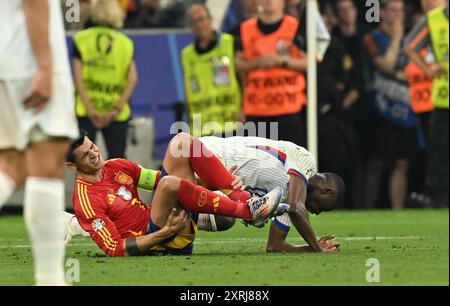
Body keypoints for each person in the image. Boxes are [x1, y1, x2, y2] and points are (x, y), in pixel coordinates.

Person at [66, 133, 344, 253]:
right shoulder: (303, 166)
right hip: (158, 238)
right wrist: (160, 235)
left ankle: (243, 204)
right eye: (86, 154)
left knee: (180, 147)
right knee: (176, 176)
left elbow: (275, 245)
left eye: (93, 146)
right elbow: (115, 249)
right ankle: (246, 206)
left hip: (168, 223)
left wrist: (203, 183)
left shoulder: (116, 166)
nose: (95, 153)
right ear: (71, 165)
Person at [0, 0, 79, 285]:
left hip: (6, 54)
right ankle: (50, 279)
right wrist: (45, 66)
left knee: (12, 164)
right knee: (47, 161)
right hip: (28, 57)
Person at [363, 0, 415, 210]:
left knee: (402, 163)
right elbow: (386, 65)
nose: (397, 15)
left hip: (405, 108)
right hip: (378, 109)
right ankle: (365, 209)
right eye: (393, 10)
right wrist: (396, 39)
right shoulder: (371, 38)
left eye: (401, 11)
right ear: (382, 12)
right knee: (375, 163)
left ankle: (397, 211)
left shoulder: (412, 37)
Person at [235, 0, 308, 146]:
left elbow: (308, 63)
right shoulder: (245, 29)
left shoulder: (295, 26)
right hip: (257, 111)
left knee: (294, 163)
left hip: (290, 110)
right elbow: (237, 65)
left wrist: (282, 61)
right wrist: (256, 63)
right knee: (258, 163)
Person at [73, 0, 138, 159]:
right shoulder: (126, 43)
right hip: (116, 113)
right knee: (118, 162)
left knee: (83, 160)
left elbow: (77, 77)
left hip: (87, 111)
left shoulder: (81, 39)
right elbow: (133, 79)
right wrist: (116, 109)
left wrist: (90, 109)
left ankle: (85, 185)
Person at [405, 0, 449, 208]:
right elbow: (410, 46)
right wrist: (429, 69)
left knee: (440, 148)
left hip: (442, 96)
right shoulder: (435, 19)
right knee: (439, 148)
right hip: (443, 95)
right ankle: (438, 196)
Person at [182, 5, 242, 137]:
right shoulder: (187, 54)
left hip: (230, 122)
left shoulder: (229, 43)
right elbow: (187, 91)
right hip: (201, 128)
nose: (199, 25)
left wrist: (243, 109)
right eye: (194, 21)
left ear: (210, 19)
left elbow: (243, 78)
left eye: (202, 19)